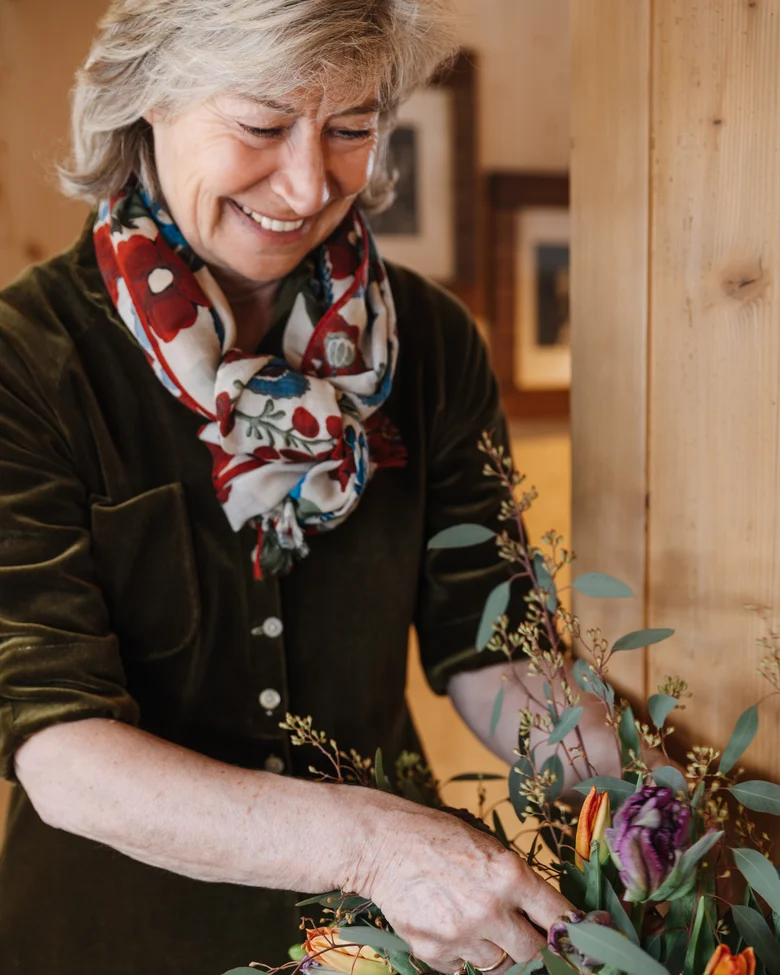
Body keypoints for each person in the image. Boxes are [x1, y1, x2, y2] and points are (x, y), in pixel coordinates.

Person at [0, 1, 614, 971]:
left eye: (351, 129)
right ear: (143, 99)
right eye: (260, 125)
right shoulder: (24, 363)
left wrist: (638, 798)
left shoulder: (432, 342)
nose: (307, 182)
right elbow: (64, 754)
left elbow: (490, 649)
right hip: (114, 939)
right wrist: (379, 845)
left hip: (394, 946)